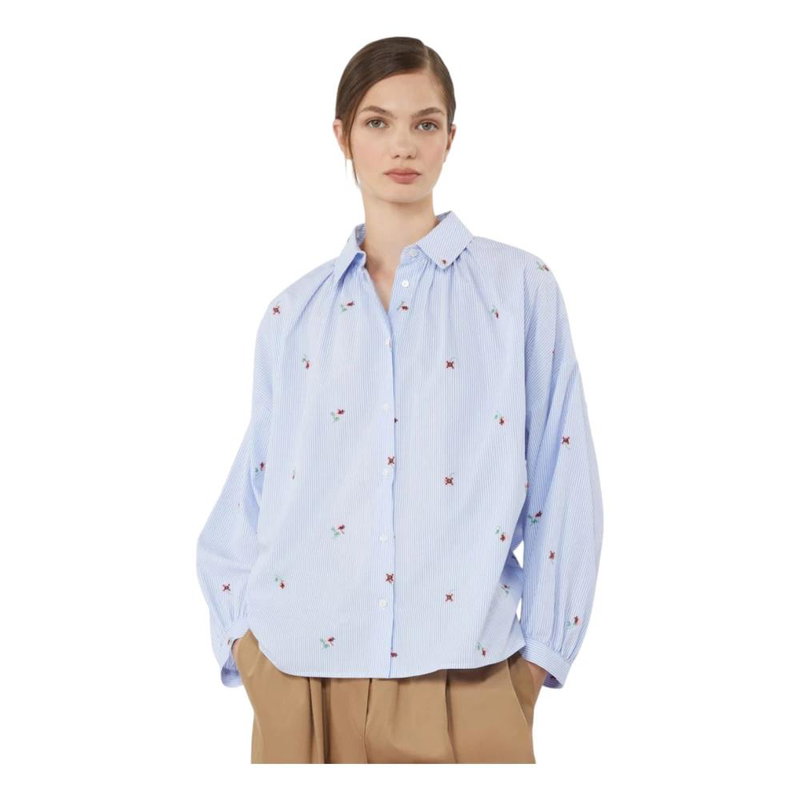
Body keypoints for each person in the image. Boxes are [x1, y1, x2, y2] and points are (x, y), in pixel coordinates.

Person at [196, 35, 603, 764]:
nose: (403, 144)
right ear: (342, 137)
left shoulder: (518, 291)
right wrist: (246, 648)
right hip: (299, 679)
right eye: (377, 122)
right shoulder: (294, 314)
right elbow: (255, 490)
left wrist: (538, 660)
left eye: (425, 122)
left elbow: (561, 476)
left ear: (451, 137)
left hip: (468, 677)